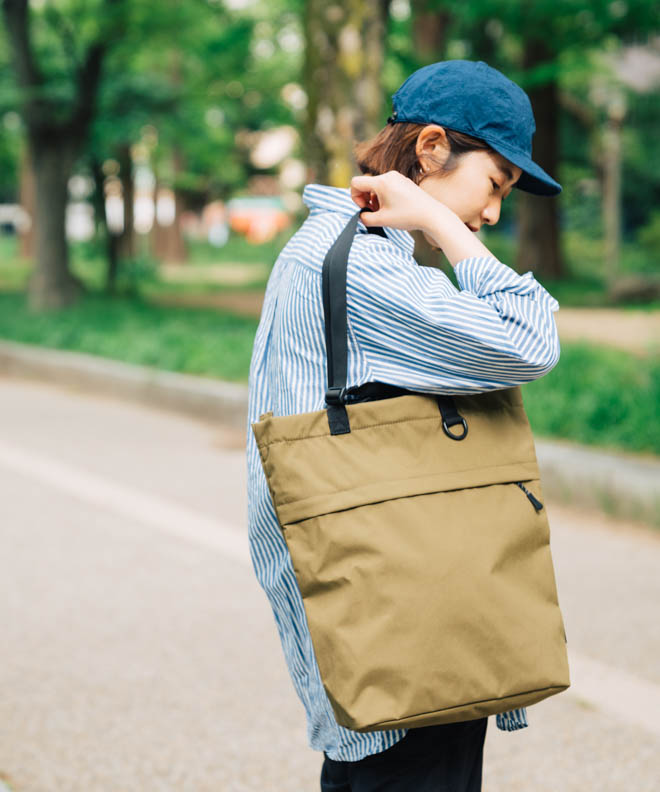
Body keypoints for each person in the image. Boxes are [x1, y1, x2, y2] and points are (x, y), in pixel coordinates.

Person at [246, 59, 562, 791]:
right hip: (397, 610)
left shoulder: (348, 254)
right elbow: (529, 341)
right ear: (429, 150)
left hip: (387, 597)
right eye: (493, 187)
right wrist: (446, 227)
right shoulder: (360, 266)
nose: (490, 214)